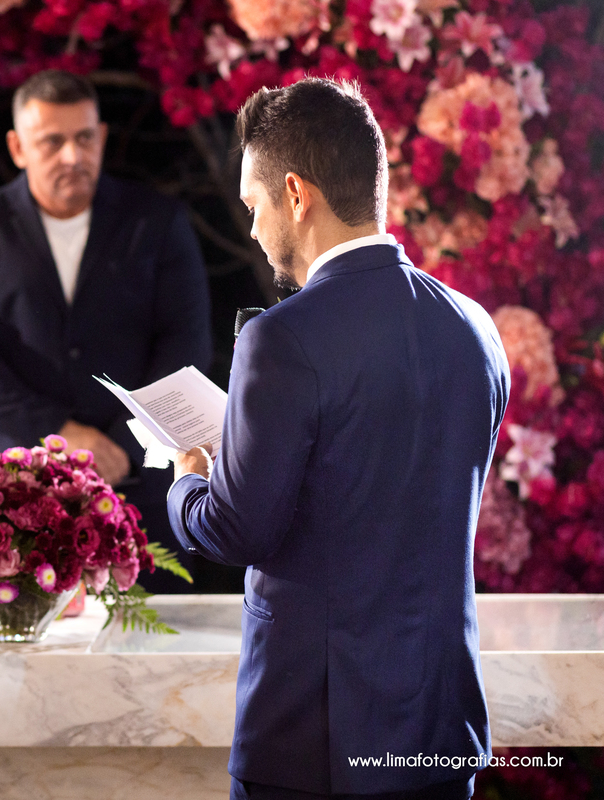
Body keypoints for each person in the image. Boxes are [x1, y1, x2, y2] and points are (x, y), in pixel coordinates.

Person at [167, 79, 509, 799]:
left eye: (253, 204)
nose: (254, 229)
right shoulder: (476, 329)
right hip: (440, 732)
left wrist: (188, 479)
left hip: (314, 739)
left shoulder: (280, 340)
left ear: (295, 194)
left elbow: (235, 528)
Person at [0, 70, 219, 592]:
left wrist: (120, 443)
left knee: (157, 663)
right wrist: (59, 431)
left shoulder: (158, 222)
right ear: (18, 148)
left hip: (141, 485)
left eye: (84, 138)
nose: (72, 155)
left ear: (102, 138)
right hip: (13, 494)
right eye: (52, 142)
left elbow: (186, 344)